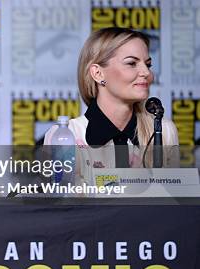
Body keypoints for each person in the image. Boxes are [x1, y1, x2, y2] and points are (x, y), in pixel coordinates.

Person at [44, 27, 179, 183]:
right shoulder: (66, 135)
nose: (146, 73)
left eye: (148, 65)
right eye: (132, 63)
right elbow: (58, 203)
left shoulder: (164, 131)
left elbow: (174, 202)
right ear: (98, 73)